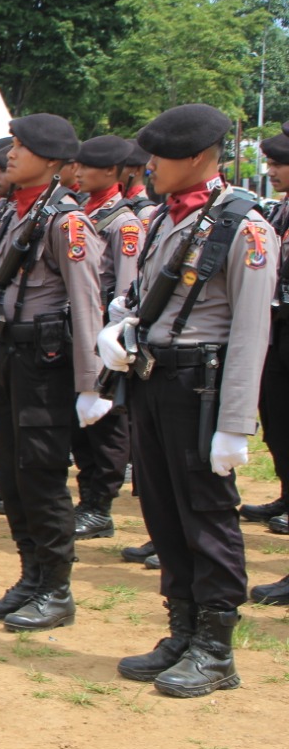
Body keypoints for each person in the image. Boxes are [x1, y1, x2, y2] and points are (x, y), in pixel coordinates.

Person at [100, 104, 276, 697]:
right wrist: (120, 326)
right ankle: (182, 629)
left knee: (206, 515)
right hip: (156, 379)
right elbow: (143, 294)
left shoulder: (242, 226)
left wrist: (235, 424)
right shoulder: (164, 217)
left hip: (201, 387)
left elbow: (252, 331)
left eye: (160, 156)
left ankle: (216, 647)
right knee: (164, 512)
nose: (148, 166)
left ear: (197, 158)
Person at [0, 113, 108, 632]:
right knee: (13, 475)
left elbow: (87, 304)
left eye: (22, 147)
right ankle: (31, 576)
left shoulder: (66, 221)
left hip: (45, 366)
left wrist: (91, 384)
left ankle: (56, 588)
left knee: (41, 475)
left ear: (51, 159)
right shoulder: (22, 212)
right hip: (8, 356)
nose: (10, 154)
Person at [69, 136, 139, 541]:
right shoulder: (83, 212)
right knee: (81, 423)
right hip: (79, 331)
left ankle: (100, 505)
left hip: (105, 335)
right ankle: (87, 496)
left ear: (111, 172)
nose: (77, 172)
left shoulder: (123, 221)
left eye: (86, 166)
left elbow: (127, 291)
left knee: (107, 423)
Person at [250, 126, 289, 603]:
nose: (272, 172)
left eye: (278, 164)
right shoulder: (278, 212)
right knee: (278, 429)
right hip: (279, 337)